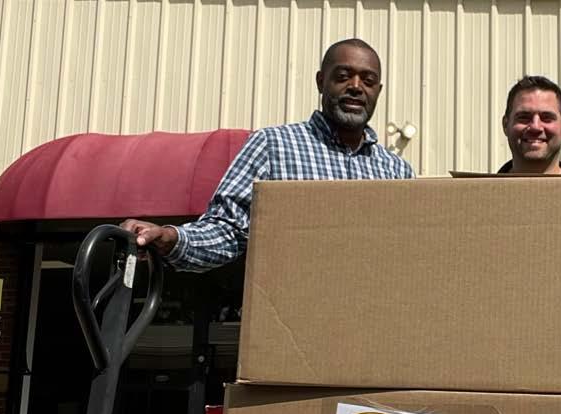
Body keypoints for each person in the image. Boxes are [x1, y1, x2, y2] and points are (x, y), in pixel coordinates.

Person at [122, 38, 413, 271]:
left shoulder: (398, 172)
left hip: (377, 327)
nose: (356, 87)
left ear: (379, 90)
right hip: (294, 324)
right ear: (321, 81)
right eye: (343, 76)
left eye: (368, 80)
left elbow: (411, 256)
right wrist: (172, 237)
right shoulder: (272, 146)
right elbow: (228, 231)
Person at [497, 76, 561, 175]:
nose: (535, 127)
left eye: (547, 118)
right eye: (524, 117)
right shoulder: (481, 190)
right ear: (505, 125)